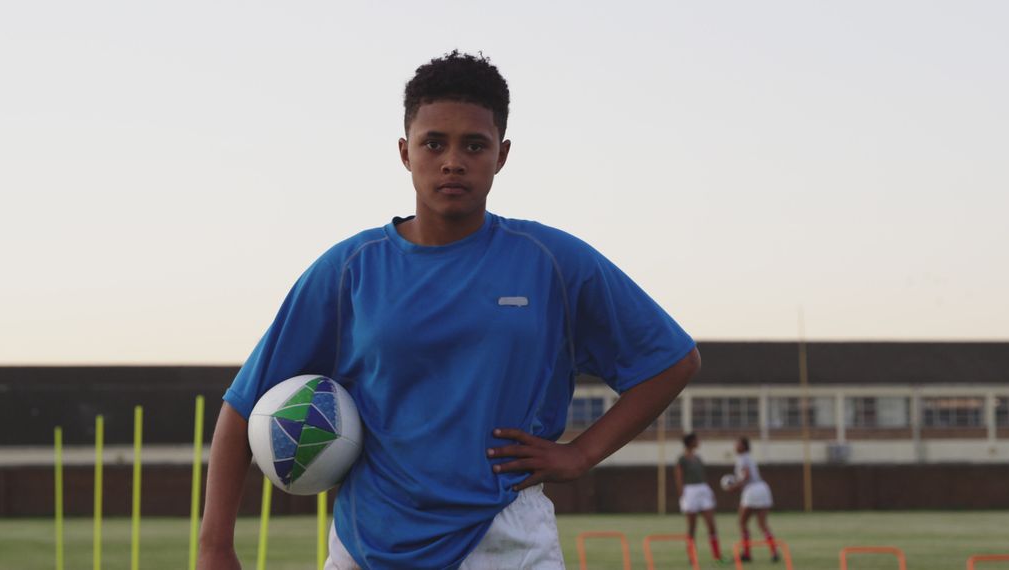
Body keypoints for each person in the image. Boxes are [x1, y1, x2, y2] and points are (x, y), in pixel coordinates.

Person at [197, 50, 700, 570]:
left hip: (508, 540)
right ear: (404, 151)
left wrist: (581, 453)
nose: (452, 161)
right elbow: (242, 406)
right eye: (433, 143)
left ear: (501, 155)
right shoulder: (350, 269)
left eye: (474, 145)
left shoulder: (552, 262)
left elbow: (672, 361)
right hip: (370, 544)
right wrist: (215, 548)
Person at [725, 437, 778, 563]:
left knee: (742, 523)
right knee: (762, 524)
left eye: (738, 443)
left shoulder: (742, 458)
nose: (735, 446)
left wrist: (734, 487)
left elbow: (746, 476)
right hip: (763, 488)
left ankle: (747, 554)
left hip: (752, 490)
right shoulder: (748, 457)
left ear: (744, 446)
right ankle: (774, 552)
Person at [675, 433, 723, 564]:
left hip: (703, 489)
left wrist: (709, 490)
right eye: (696, 440)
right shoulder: (682, 459)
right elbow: (679, 478)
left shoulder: (698, 458)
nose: (698, 441)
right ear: (690, 442)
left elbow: (702, 475)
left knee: (711, 525)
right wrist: (682, 496)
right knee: (692, 527)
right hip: (690, 492)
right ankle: (692, 556)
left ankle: (717, 556)